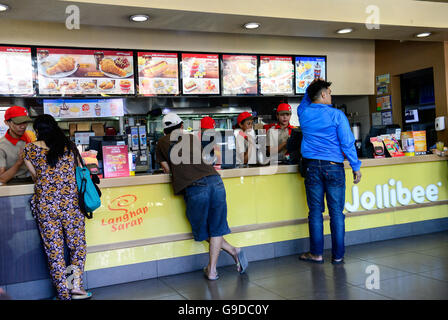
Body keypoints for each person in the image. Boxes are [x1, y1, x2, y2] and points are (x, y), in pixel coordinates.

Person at [156, 113, 248, 280]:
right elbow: (204, 159)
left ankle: (224, 259)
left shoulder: (161, 142)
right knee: (216, 227)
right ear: (182, 126)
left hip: (195, 186)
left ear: (164, 130)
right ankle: (217, 266)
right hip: (215, 181)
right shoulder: (191, 137)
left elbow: (168, 170)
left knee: (202, 229)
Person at [22, 114, 91, 300]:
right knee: (77, 246)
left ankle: (63, 293)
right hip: (71, 205)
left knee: (54, 250)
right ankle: (75, 286)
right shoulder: (69, 146)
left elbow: (36, 177)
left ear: (37, 131)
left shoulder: (29, 149)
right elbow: (79, 171)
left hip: (46, 205)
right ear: (55, 127)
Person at [297, 80, 362, 265]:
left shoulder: (303, 112)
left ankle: (317, 254)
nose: (331, 96)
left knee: (315, 212)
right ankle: (338, 256)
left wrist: (312, 85)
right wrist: (355, 166)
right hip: (334, 166)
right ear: (323, 95)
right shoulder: (337, 115)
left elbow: (306, 99)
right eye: (330, 92)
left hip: (311, 167)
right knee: (336, 213)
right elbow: (347, 142)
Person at [0, 106, 34, 184]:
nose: (23, 126)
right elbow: (1, 179)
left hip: (33, 182)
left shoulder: (30, 137)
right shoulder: (2, 146)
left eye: (25, 122)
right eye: (18, 123)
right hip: (13, 185)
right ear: (6, 122)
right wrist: (19, 162)